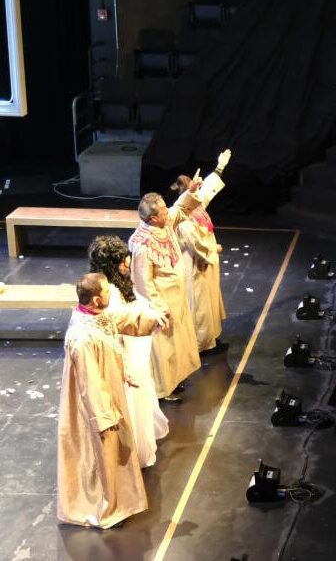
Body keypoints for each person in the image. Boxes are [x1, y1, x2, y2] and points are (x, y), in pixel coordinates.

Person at [57, 273, 167, 529]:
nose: (111, 295)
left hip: (110, 392)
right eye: (107, 292)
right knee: (100, 452)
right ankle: (104, 507)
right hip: (95, 407)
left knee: (116, 450)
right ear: (96, 299)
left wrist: (153, 320)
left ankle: (120, 500)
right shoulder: (82, 338)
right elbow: (90, 383)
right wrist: (104, 416)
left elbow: (122, 319)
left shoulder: (97, 316)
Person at [88, 235, 169, 469]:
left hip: (136, 349)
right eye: (123, 261)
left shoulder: (119, 283)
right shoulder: (109, 293)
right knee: (132, 399)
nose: (127, 264)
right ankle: (132, 451)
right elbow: (119, 323)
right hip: (125, 351)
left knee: (142, 394)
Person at [128, 171, 208, 402]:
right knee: (164, 346)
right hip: (163, 302)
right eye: (163, 210)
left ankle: (176, 377)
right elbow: (143, 281)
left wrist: (191, 191)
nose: (167, 211)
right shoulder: (142, 244)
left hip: (177, 296)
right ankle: (163, 389)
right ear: (153, 218)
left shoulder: (165, 223)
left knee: (179, 341)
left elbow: (180, 208)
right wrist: (159, 307)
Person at [172, 159, 229, 353]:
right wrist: (214, 249)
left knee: (208, 298)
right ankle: (200, 343)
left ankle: (210, 336)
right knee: (199, 303)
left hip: (205, 262)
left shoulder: (195, 207)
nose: (199, 194)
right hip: (196, 264)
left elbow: (208, 191)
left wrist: (219, 168)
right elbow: (196, 245)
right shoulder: (184, 220)